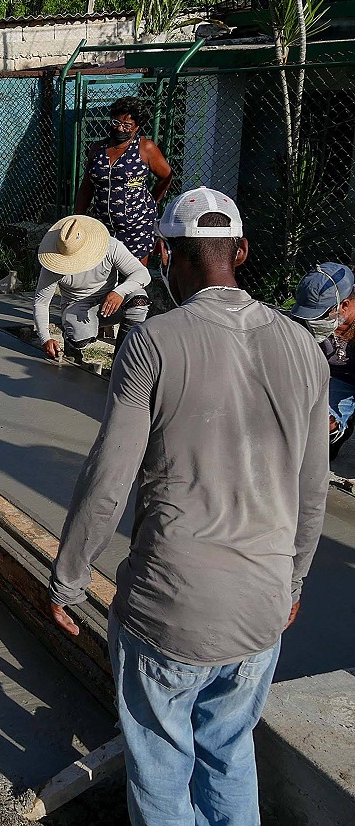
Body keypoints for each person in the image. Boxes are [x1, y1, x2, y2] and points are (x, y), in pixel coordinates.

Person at [48, 187, 328, 825]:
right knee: (229, 751)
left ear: (163, 252)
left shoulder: (153, 342)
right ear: (241, 251)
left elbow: (109, 478)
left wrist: (67, 581)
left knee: (162, 767)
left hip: (169, 611)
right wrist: (291, 583)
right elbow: (312, 494)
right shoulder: (304, 348)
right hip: (261, 611)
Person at [32, 215, 150, 363]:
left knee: (138, 300)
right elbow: (41, 303)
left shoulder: (110, 247)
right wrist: (45, 338)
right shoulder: (54, 264)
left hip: (110, 304)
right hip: (77, 306)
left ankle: (122, 361)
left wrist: (119, 291)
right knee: (79, 339)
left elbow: (142, 273)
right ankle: (72, 345)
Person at [74, 96, 172, 263]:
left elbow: (166, 176)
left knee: (134, 274)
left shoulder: (145, 148)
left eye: (127, 125)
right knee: (102, 270)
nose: (120, 128)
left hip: (136, 227)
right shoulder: (97, 149)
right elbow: (87, 185)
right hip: (103, 226)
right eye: (116, 122)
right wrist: (77, 217)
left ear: (137, 126)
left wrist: (153, 200)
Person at [289, 263, 355, 461]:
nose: (313, 321)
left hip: (347, 381)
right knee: (316, 424)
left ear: (344, 305)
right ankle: (333, 433)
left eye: (319, 315)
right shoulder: (303, 321)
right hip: (326, 378)